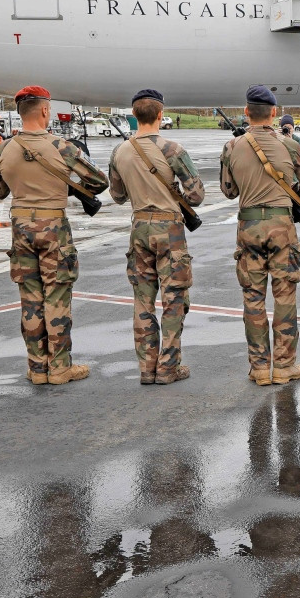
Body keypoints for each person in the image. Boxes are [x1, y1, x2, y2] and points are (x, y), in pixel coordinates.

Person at [0, 85, 109, 385]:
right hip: (53, 226)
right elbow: (98, 181)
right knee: (56, 296)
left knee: (30, 299)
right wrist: (65, 185)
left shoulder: (4, 149)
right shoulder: (62, 147)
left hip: (20, 227)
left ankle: (37, 368)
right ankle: (59, 368)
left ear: (20, 112)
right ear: (45, 110)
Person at [222, 87, 300, 386]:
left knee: (252, 298)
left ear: (246, 111)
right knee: (285, 296)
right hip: (282, 226)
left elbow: (229, 191)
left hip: (248, 226)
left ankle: (259, 368)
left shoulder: (232, 146)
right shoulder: (289, 145)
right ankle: (284, 365)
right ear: (274, 113)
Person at [108, 89, 205, 385]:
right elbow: (197, 195)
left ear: (134, 115)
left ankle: (146, 368)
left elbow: (117, 195)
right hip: (169, 229)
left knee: (143, 300)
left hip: (139, 227)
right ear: (161, 115)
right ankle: (168, 367)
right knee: (174, 299)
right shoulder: (172, 149)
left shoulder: (120, 151)